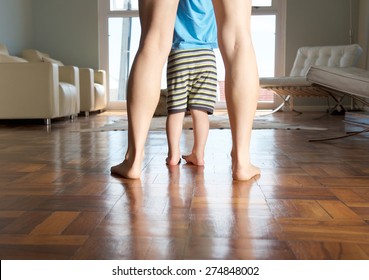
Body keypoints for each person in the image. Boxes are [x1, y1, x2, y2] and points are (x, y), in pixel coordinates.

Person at [111, 0, 260, 181]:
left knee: (153, 41)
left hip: (179, 55)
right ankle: (242, 162)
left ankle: (133, 161)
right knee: (238, 41)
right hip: (205, 56)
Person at [165, 0, 218, 166]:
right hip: (206, 56)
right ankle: (198, 154)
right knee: (200, 111)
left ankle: (173, 155)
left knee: (176, 111)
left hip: (179, 54)